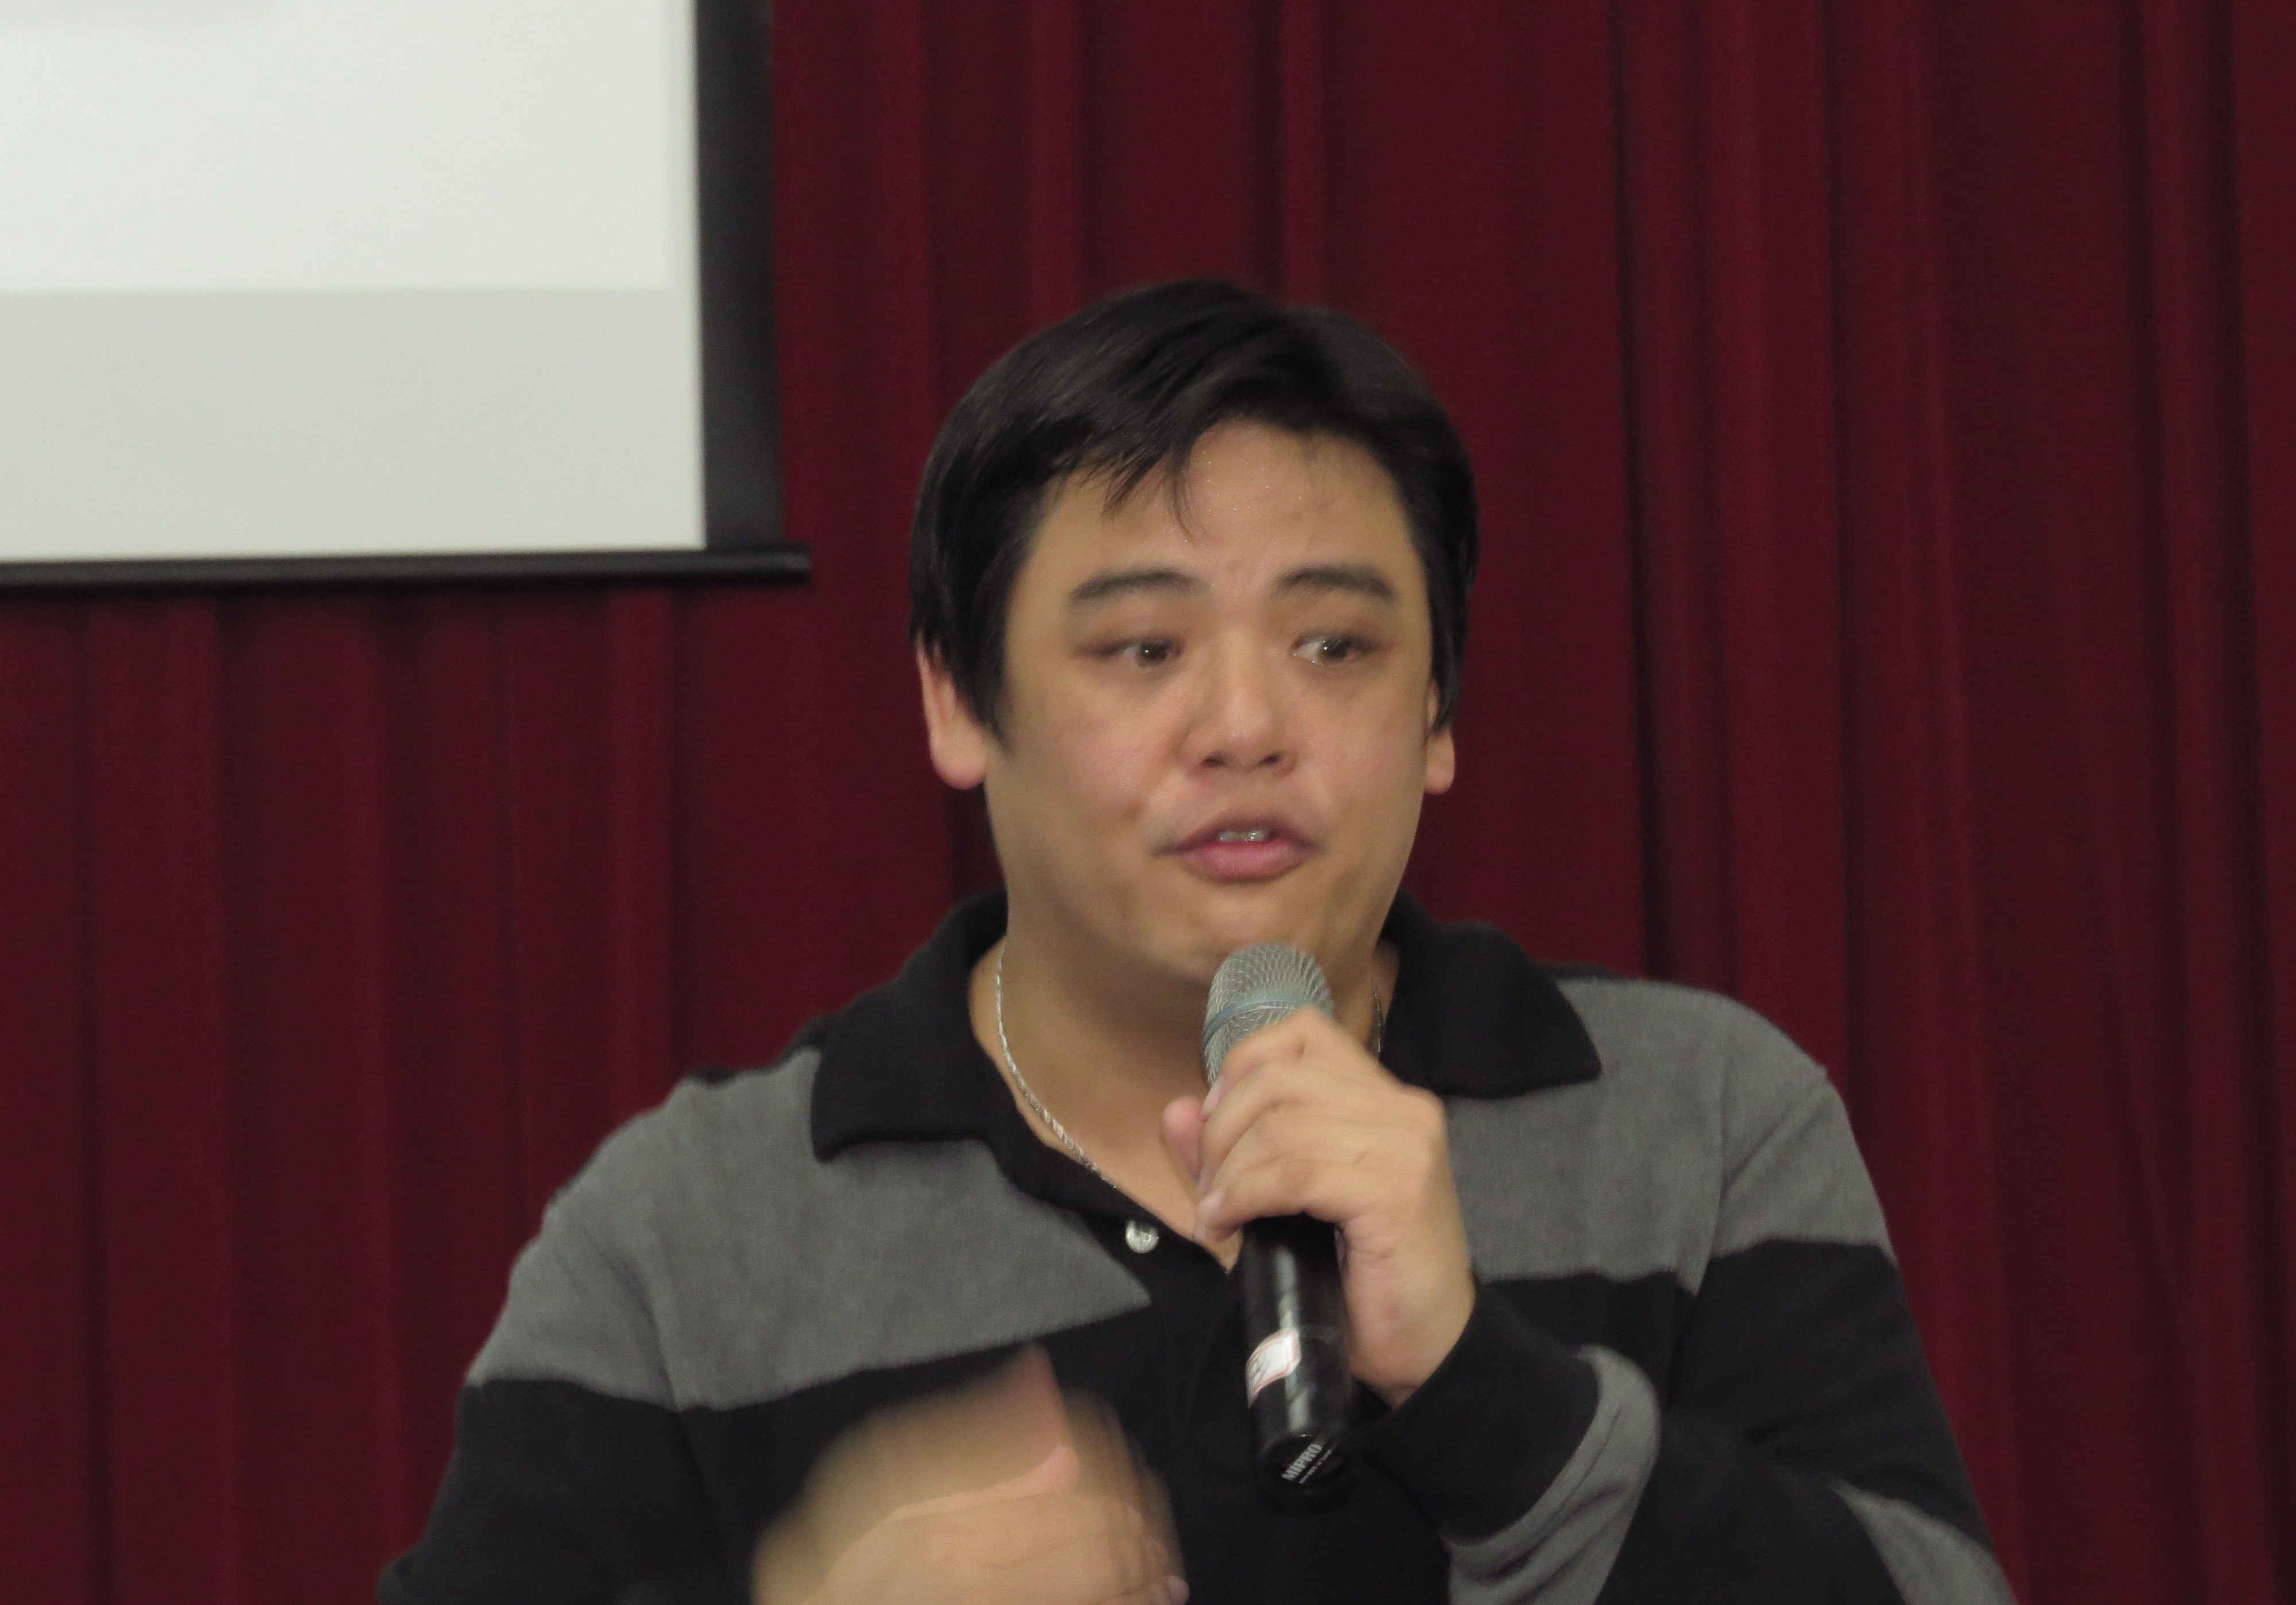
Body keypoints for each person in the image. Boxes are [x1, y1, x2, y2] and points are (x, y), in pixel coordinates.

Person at [382, 280, 2014, 1605]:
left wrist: (1483, 1394)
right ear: (957, 699)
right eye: (1146, 647)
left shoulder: (1697, 1121)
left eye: (1334, 645)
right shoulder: (693, 1234)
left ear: (1440, 711)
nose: (1246, 724)